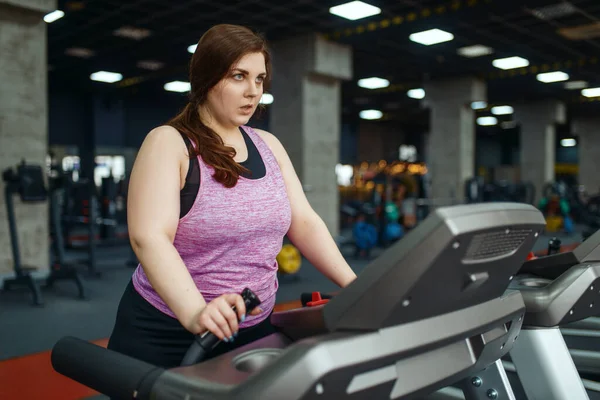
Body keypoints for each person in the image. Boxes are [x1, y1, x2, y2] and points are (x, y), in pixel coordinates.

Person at [107, 23, 357, 370]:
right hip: (170, 332)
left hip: (254, 327)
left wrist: (356, 285)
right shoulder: (169, 143)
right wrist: (196, 311)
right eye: (239, 76)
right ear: (207, 78)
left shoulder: (268, 145)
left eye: (259, 79)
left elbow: (304, 222)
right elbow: (148, 237)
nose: (253, 91)